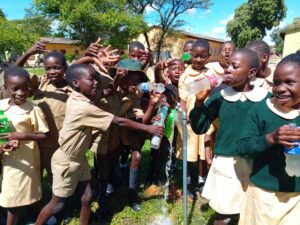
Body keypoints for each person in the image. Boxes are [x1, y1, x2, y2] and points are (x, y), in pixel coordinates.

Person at [35, 64, 164, 225]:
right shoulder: (83, 107)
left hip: (79, 159)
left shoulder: (80, 97)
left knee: (87, 198)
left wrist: (116, 79)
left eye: (97, 79)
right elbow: (119, 121)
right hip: (66, 161)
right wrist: (148, 128)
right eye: (91, 79)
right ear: (76, 83)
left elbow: (108, 91)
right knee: (57, 203)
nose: (96, 82)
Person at [189, 48, 271, 225]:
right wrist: (199, 102)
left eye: (234, 66)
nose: (228, 70)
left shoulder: (266, 99)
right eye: (227, 66)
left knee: (252, 211)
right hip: (226, 163)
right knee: (223, 214)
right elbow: (200, 126)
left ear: (251, 72)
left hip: (256, 163)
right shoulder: (221, 96)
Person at [236, 52, 300, 225]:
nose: (280, 88)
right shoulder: (261, 110)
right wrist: (270, 138)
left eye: (289, 82)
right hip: (262, 194)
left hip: (296, 199)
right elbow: (242, 147)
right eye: (276, 82)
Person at [0, 67, 49, 225]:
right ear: (5, 88)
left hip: (24, 159)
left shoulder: (33, 109)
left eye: (25, 88)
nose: (21, 92)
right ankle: (37, 215)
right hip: (4, 155)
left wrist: (22, 136)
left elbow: (44, 135)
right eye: (15, 89)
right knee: (14, 191)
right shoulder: (1, 106)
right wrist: (4, 145)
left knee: (13, 194)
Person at [178, 38, 215, 198]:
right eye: (196, 56)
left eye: (203, 56)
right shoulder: (185, 76)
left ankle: (201, 181)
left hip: (206, 119)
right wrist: (184, 117)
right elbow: (183, 99)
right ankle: (188, 182)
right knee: (190, 153)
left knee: (204, 151)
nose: (199, 59)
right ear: (190, 55)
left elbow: (214, 95)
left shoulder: (211, 74)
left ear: (208, 56)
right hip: (190, 121)